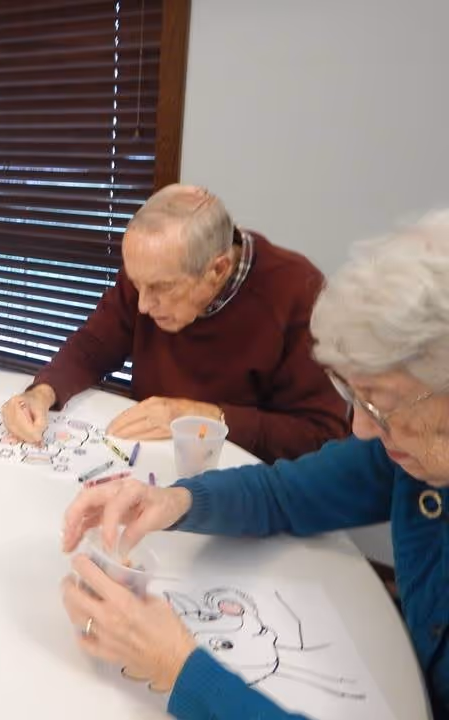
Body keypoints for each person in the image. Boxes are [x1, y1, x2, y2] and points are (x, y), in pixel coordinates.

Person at [58, 211, 449, 719]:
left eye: (385, 404)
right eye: (359, 399)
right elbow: (285, 492)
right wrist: (174, 500)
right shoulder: (407, 458)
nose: (361, 430)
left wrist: (178, 670)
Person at [2, 185, 348, 463]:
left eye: (161, 289)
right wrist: (41, 393)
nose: (143, 305)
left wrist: (203, 416)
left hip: (248, 484)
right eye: (136, 284)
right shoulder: (152, 271)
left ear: (218, 269)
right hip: (149, 461)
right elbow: (93, 346)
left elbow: (321, 435)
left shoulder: (297, 292)